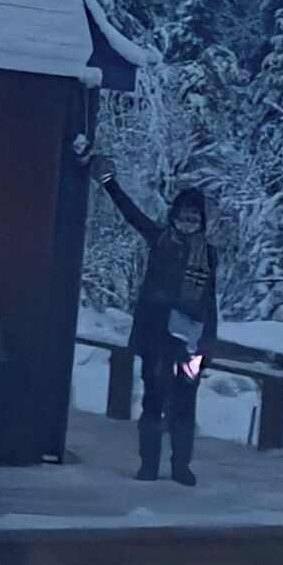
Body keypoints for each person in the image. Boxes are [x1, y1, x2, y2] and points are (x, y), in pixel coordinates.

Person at [74, 135, 220, 483]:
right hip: (156, 335)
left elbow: (209, 301)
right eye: (183, 216)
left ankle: (181, 466)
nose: (187, 223)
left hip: (190, 341)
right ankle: (149, 465)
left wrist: (208, 344)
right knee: (154, 399)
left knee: (185, 402)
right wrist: (108, 181)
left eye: (193, 218)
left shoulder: (210, 254)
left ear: (201, 222)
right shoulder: (159, 240)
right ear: (174, 217)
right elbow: (131, 214)